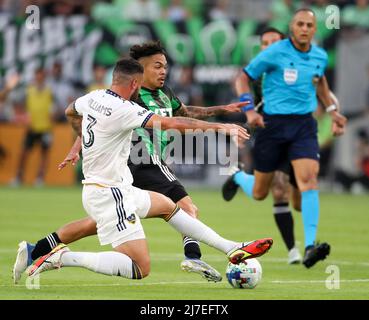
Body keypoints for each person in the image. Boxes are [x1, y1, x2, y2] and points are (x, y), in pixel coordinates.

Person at [13, 42, 252, 283]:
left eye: (165, 66)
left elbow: (73, 112)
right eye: (158, 66)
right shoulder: (127, 106)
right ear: (136, 79)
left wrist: (80, 146)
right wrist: (222, 126)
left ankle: (37, 249)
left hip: (116, 184)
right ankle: (63, 257)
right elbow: (171, 123)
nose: (163, 71)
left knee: (164, 207)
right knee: (142, 263)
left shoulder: (96, 97)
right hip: (133, 169)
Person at [222, 9, 347, 268]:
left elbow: (320, 81)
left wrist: (333, 112)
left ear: (314, 29)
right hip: (273, 125)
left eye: (309, 25)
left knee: (308, 182)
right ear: (292, 28)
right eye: (299, 24)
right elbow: (243, 78)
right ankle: (237, 176)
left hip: (303, 126)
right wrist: (248, 110)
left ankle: (310, 247)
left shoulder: (319, 55)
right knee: (260, 192)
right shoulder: (275, 52)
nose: (304, 28)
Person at [223, 27, 302, 265]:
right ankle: (293, 251)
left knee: (294, 197)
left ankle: (238, 176)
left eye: (274, 42)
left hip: (296, 137)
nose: (269, 47)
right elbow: (245, 96)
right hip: (270, 137)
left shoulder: (295, 68)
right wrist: (250, 112)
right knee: (273, 191)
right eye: (265, 43)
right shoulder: (256, 74)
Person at [12, 67, 54, 186]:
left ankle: (40, 178)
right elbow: (19, 104)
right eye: (38, 75)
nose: (39, 77)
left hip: (45, 127)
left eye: (41, 75)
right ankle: (19, 177)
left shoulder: (49, 91)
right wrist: (22, 116)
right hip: (32, 127)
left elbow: (55, 107)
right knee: (24, 153)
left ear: (44, 77)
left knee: (44, 154)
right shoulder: (29, 90)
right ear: (35, 76)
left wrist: (52, 118)